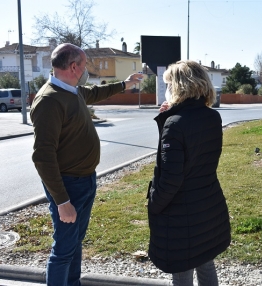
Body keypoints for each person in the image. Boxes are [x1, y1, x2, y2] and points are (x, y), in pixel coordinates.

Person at [30, 43, 143, 286]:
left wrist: (126, 84)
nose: (86, 71)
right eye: (84, 66)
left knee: (74, 243)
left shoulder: (72, 90)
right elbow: (42, 156)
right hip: (68, 186)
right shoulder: (49, 101)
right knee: (63, 250)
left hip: (84, 181)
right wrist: (62, 201)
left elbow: (95, 93)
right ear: (73, 67)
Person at [147, 60, 231, 286]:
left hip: (181, 213)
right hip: (207, 205)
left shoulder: (175, 124)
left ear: (179, 86)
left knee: (182, 270)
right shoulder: (212, 116)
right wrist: (167, 119)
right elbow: (191, 154)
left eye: (168, 84)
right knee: (205, 261)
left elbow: (171, 177)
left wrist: (153, 205)